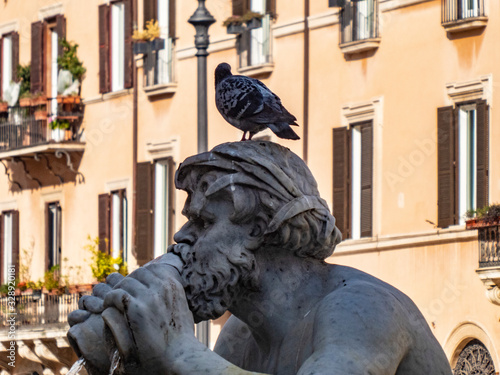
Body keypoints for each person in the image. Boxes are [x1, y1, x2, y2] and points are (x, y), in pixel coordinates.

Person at [68, 141, 453, 375]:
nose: (182, 239)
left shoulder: (361, 309)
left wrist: (180, 352)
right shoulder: (240, 337)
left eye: (202, 222)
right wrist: (142, 362)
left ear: (258, 229)